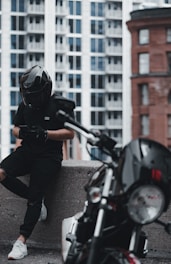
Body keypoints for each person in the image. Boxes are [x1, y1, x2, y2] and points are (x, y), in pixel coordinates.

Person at [0, 65, 75, 260]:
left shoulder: (59, 105)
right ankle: (35, 199)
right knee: (2, 172)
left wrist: (46, 134)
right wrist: (23, 132)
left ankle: (21, 242)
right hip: (27, 151)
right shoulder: (26, 105)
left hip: (49, 156)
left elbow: (70, 133)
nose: (30, 98)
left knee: (35, 197)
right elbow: (15, 129)